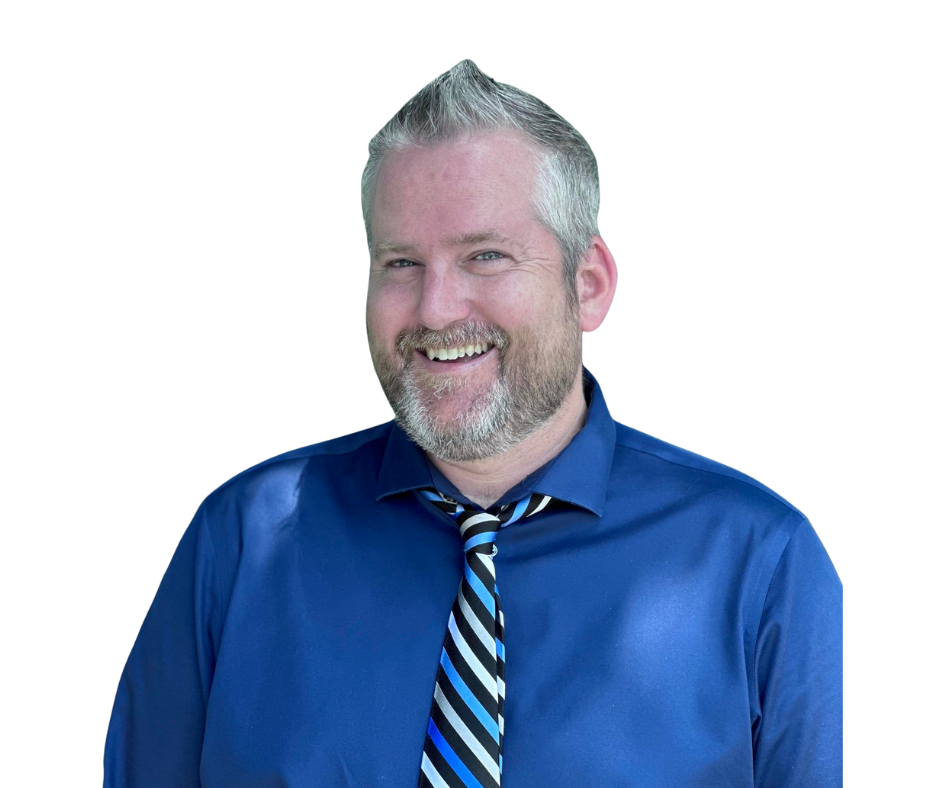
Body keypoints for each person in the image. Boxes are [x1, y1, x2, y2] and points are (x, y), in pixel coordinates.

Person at [104, 60, 842, 787]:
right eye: (400, 264)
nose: (434, 309)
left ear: (587, 284)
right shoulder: (241, 542)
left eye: (484, 256)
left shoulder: (760, 565)